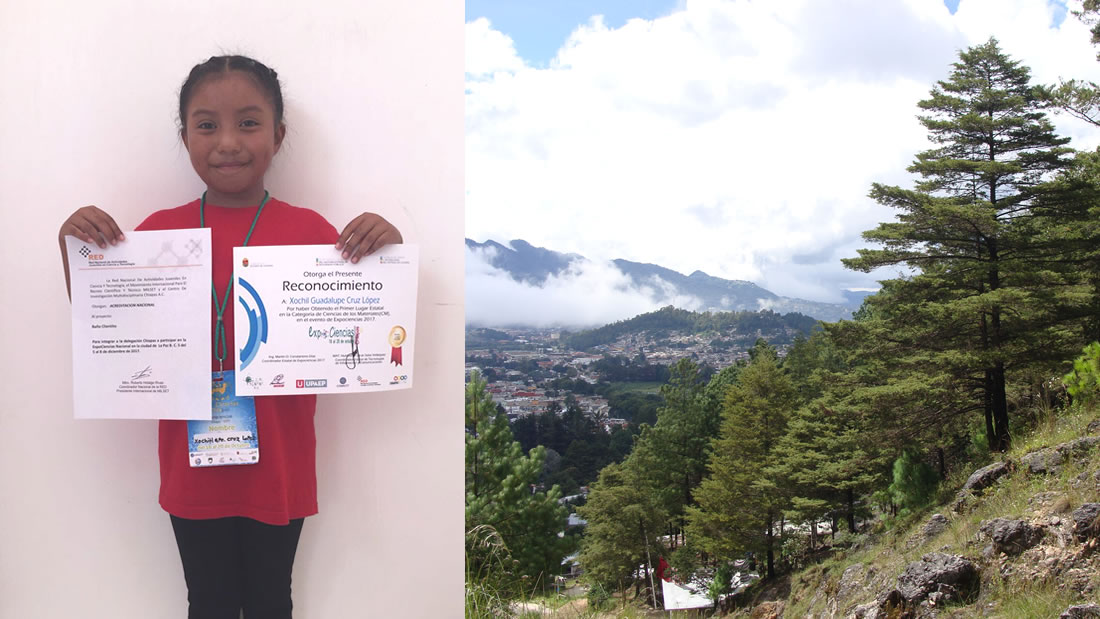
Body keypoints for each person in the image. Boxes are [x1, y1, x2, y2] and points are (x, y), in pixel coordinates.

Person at [56, 55, 401, 619]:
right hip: (190, 462)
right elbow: (108, 329)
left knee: (271, 602)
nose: (228, 142)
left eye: (248, 122)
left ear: (278, 134)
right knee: (209, 603)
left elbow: (364, 322)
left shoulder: (315, 237)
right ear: (184, 135)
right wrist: (74, 246)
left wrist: (387, 251)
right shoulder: (153, 234)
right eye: (207, 124)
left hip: (280, 462)